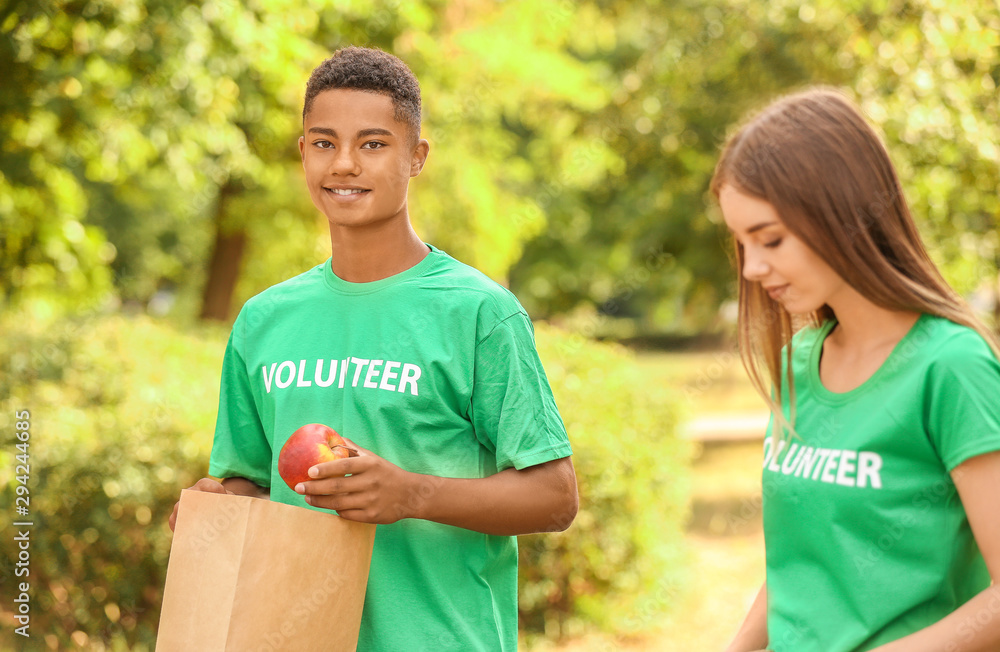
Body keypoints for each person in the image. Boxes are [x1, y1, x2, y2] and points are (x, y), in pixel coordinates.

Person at [168, 46, 578, 651]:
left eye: (374, 144)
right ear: (302, 151)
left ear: (416, 157)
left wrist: (411, 492)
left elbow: (555, 496)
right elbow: (253, 484)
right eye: (324, 142)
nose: (345, 165)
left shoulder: (479, 312)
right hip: (292, 637)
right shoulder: (264, 320)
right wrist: (214, 507)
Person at [712, 87, 1000, 652]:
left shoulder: (952, 368)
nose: (752, 268)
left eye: (770, 239)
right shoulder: (799, 362)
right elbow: (804, 563)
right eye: (742, 243)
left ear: (841, 216)